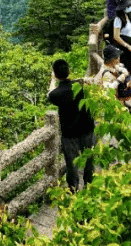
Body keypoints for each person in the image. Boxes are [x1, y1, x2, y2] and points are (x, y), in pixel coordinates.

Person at [47, 59, 95, 193]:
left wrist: (52, 80)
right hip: (87, 129)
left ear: (55, 75)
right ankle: (90, 185)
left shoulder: (56, 94)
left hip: (70, 134)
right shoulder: (81, 87)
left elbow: (49, 94)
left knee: (72, 163)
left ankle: (73, 188)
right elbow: (91, 81)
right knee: (90, 160)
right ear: (69, 71)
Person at [110, 0, 131, 76]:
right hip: (123, 46)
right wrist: (127, 46)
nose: (129, 7)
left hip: (130, 44)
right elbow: (116, 36)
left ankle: (128, 85)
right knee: (123, 69)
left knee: (130, 68)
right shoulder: (118, 19)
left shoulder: (128, 16)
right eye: (127, 6)